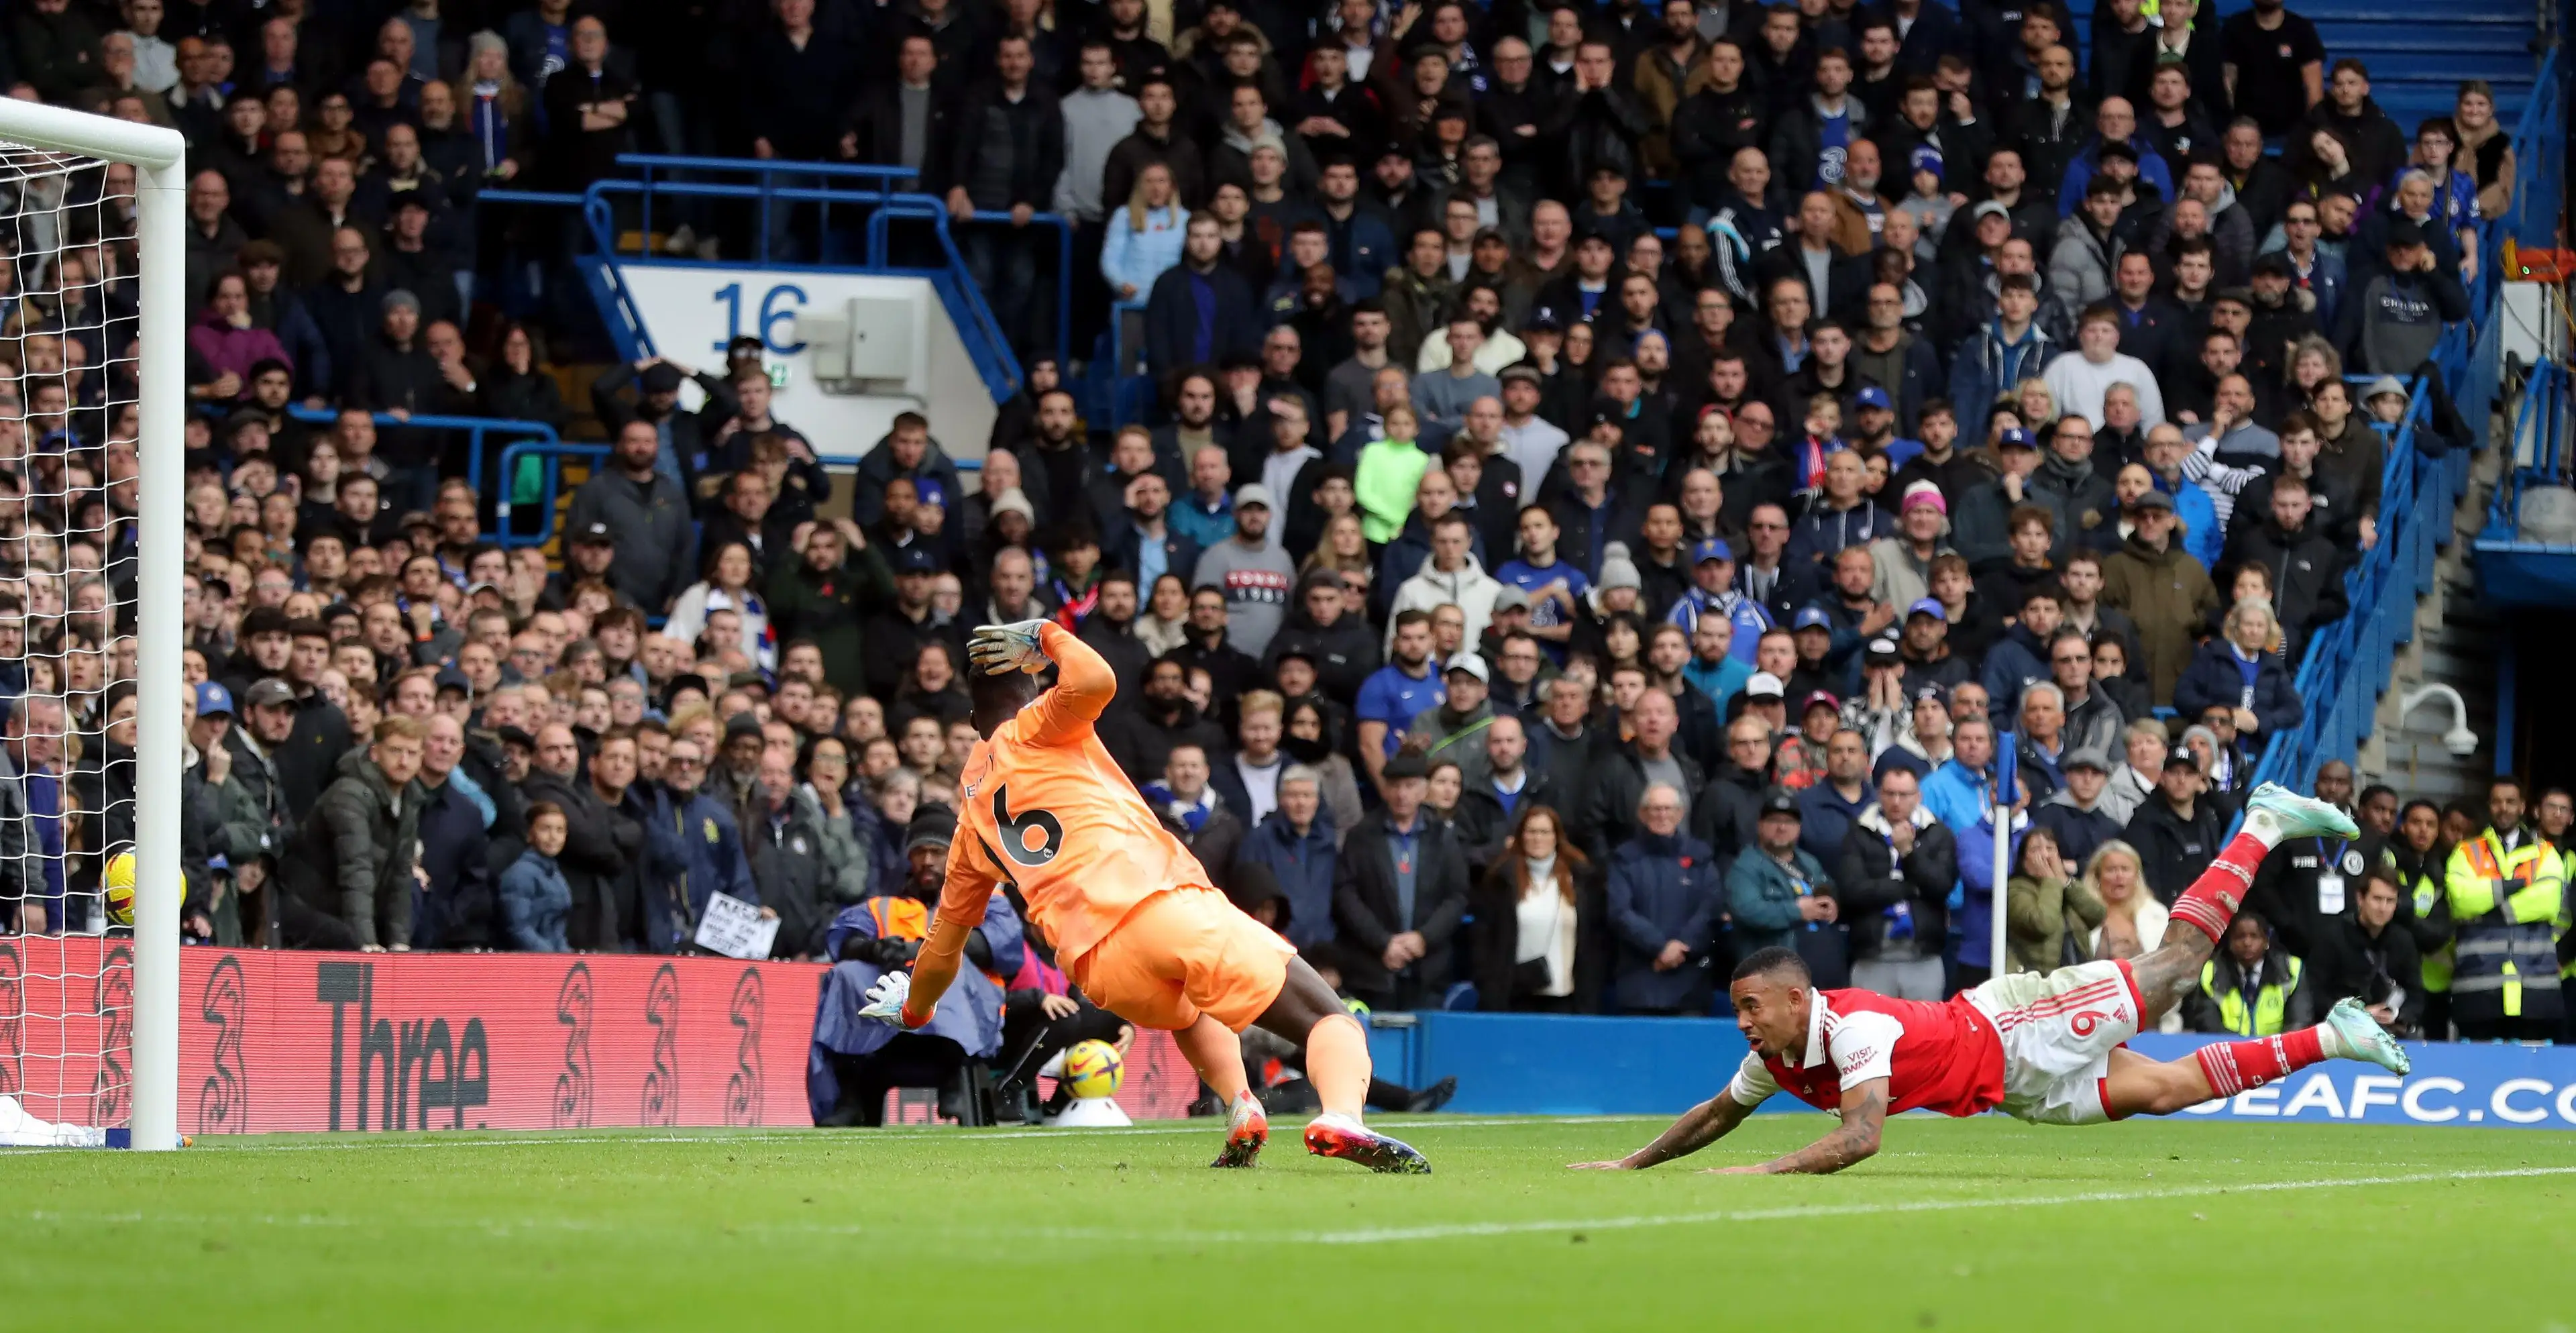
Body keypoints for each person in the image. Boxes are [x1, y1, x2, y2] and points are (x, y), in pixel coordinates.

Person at [1570, 786, 2408, 1174]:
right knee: (2167, 1091)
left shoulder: (1851, 1029)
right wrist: (1631, 1163)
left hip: (2017, 1028)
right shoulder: (1779, 1051)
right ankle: (2336, 1033)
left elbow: (1862, 1137)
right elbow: (1716, 1112)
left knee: (2176, 968)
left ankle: (2260, 820)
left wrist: (1758, 1175)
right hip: (2009, 1086)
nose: (1745, 1025)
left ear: (1798, 999)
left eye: (1753, 1008)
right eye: (1739, 1013)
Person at [865, 620, 1430, 1172]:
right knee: (1330, 1018)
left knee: (1187, 1005)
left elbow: (944, 944)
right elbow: (1096, 681)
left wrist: (915, 1008)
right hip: (1161, 907)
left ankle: (1241, 1105)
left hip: (1102, 971)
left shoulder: (970, 821)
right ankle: (1342, 1116)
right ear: (1034, 691)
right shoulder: (1041, 724)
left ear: (972, 720)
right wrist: (1046, 634)